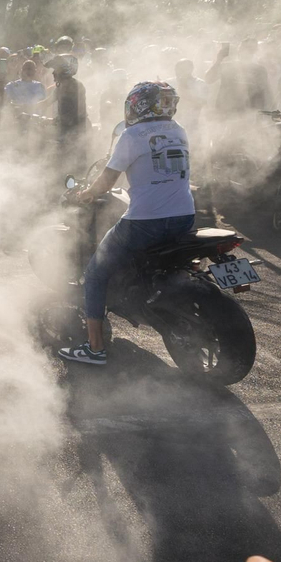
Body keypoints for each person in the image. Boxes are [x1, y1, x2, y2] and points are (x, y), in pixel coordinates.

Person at [59, 81, 195, 365]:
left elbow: (107, 182)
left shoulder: (132, 135)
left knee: (95, 274)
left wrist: (85, 195)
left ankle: (94, 348)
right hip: (185, 217)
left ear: (137, 105)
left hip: (145, 222)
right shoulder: (178, 130)